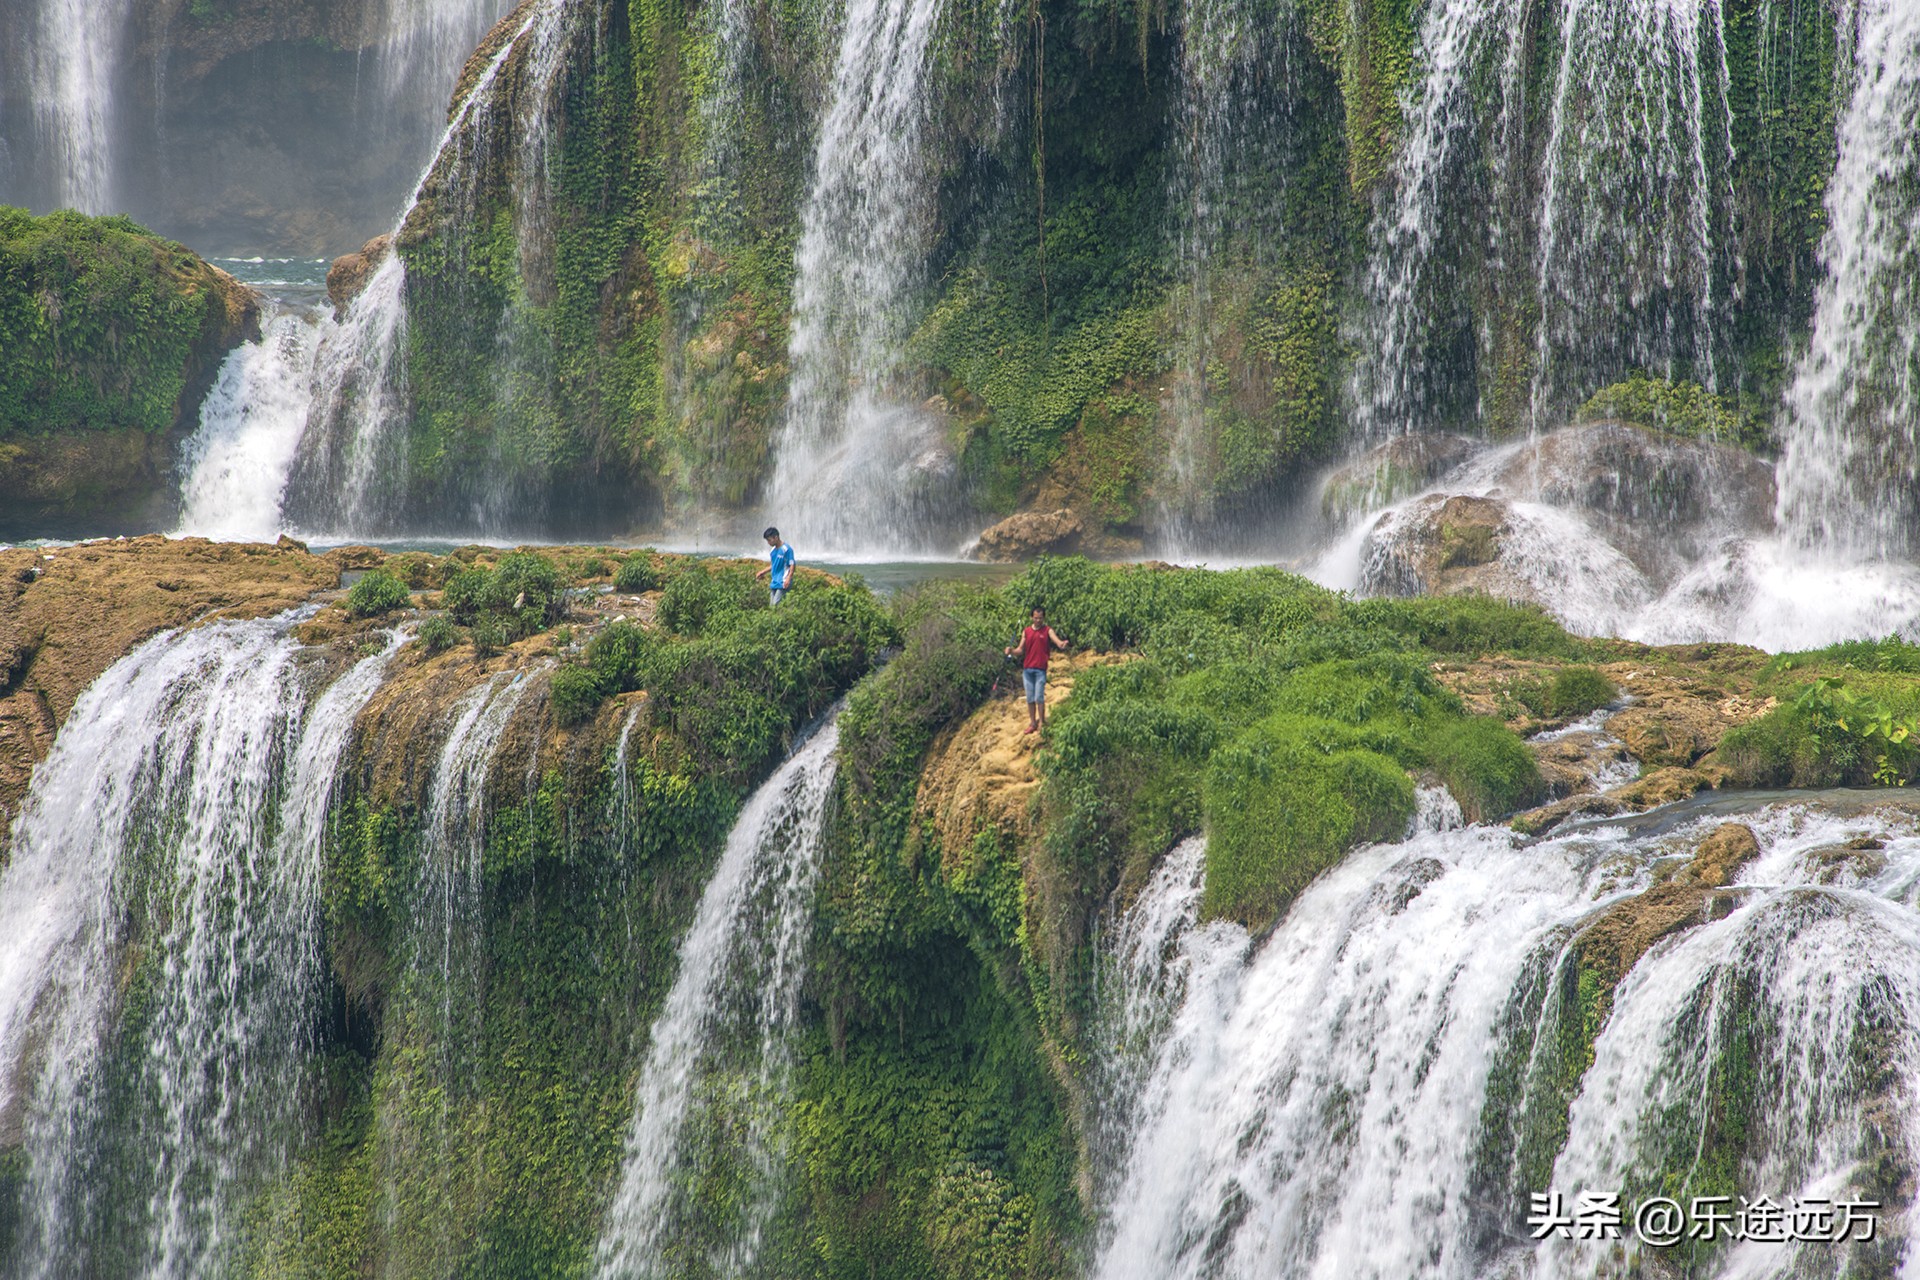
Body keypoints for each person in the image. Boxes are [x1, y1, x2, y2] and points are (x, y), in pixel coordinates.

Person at [1005, 606, 1068, 734]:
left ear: (1043, 618)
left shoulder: (1047, 630)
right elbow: (1020, 650)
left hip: (1040, 670)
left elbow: (1056, 640)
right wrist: (1010, 651)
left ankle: (1041, 722)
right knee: (1030, 698)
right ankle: (1032, 722)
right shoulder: (1026, 631)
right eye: (1035, 618)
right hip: (1027, 669)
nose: (1038, 620)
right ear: (1031, 618)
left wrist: (1061, 644)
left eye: (1040, 618)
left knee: (1039, 697)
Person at [755, 526, 795, 605]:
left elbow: (792, 565)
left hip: (783, 581)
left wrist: (788, 579)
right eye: (767, 540)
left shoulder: (786, 549)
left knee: (775, 604)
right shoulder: (773, 550)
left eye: (769, 540)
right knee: (771, 605)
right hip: (775, 581)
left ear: (776, 537)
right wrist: (763, 572)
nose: (768, 543)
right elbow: (774, 565)